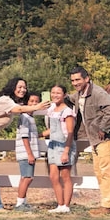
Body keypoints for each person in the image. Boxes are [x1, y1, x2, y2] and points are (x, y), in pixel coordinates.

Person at [0, 78, 50, 211]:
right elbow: (20, 109)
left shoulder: (11, 102)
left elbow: (21, 108)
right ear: (13, 87)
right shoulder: (6, 100)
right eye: (20, 87)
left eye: (24, 87)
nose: (23, 89)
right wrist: (37, 106)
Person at [68, 66, 110, 216]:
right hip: (98, 140)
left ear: (86, 78)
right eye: (73, 80)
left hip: (109, 137)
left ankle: (108, 206)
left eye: (78, 79)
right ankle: (107, 204)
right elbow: (69, 99)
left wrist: (103, 128)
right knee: (100, 172)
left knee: (107, 172)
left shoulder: (98, 93)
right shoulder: (80, 94)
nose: (75, 83)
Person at [42, 84, 76, 213]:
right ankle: (60, 204)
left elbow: (70, 132)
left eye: (58, 93)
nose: (55, 95)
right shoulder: (52, 110)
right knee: (53, 177)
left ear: (64, 95)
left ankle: (66, 206)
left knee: (65, 176)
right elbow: (52, 130)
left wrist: (66, 151)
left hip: (64, 145)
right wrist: (38, 135)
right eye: (53, 92)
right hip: (53, 145)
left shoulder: (67, 112)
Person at [14, 92, 42, 211]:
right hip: (26, 153)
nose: (34, 104)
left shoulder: (29, 118)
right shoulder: (24, 117)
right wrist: (30, 154)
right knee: (28, 177)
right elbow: (24, 137)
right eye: (31, 101)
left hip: (27, 152)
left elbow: (31, 135)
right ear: (26, 103)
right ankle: (20, 203)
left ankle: (22, 202)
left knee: (25, 177)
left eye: (36, 101)